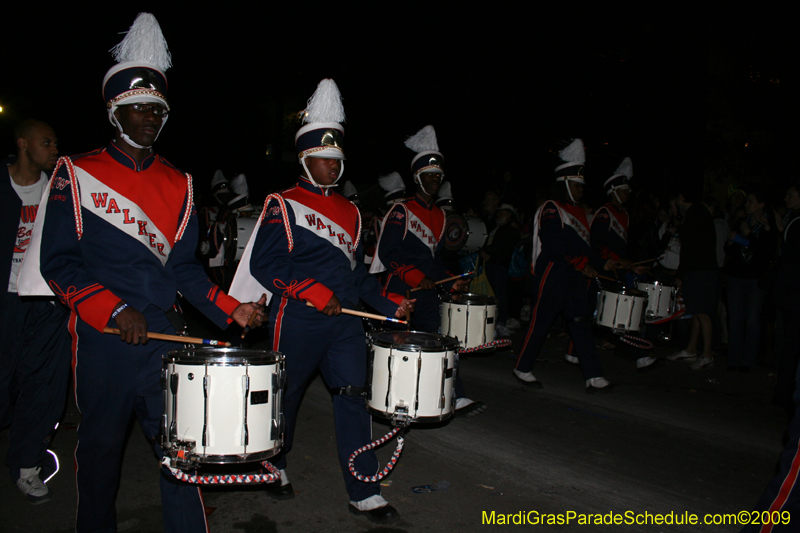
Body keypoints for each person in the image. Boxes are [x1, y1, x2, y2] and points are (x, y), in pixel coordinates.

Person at [18, 14, 265, 532]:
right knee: (102, 450)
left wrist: (230, 308)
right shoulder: (76, 173)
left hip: (164, 336)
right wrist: (114, 308)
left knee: (183, 448)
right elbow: (57, 264)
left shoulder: (181, 183)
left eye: (157, 108)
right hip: (104, 336)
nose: (150, 116)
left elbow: (184, 272)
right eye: (138, 108)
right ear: (115, 111)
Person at [230, 79, 413, 525]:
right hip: (296, 319)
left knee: (353, 396)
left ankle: (364, 489)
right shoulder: (282, 204)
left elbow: (353, 272)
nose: (333, 168)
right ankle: (273, 463)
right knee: (285, 397)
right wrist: (313, 293)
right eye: (324, 160)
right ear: (306, 159)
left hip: (343, 325)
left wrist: (385, 303)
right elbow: (266, 264)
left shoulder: (350, 212)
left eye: (338, 161)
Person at [370, 125, 484, 417]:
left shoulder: (440, 217)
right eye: (429, 175)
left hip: (428, 292)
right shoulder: (401, 211)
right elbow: (389, 253)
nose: (435, 180)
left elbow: (433, 258)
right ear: (417, 178)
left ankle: (455, 396)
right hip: (400, 290)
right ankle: (382, 394)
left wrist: (449, 281)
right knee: (393, 348)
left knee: (436, 343)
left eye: (438, 176)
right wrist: (416, 278)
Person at [1, 120, 71, 504]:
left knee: (43, 384)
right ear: (23, 144)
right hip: (6, 301)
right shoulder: (4, 187)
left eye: (56, 141)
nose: (55, 148)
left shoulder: (58, 193)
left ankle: (27, 466)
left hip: (46, 303)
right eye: (47, 142)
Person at [513, 139, 617, 393]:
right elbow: (553, 244)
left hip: (575, 278)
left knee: (581, 322)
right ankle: (522, 366)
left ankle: (593, 375)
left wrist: (603, 263)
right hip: (553, 273)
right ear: (565, 184)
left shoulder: (580, 212)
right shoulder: (551, 208)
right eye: (577, 185)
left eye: (582, 185)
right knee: (542, 321)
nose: (582, 190)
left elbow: (586, 249)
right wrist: (582, 265)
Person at [667, 188, 720, 370]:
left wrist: (681, 274)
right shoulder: (698, 213)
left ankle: (706, 354)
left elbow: (690, 249)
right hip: (699, 269)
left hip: (701, 270)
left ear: (682, 196)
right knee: (696, 311)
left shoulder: (695, 214)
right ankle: (691, 349)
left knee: (702, 312)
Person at [724, 189, 776, 372]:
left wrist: (747, 237)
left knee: (752, 321)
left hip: (755, 278)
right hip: (735, 277)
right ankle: (733, 360)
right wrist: (731, 241)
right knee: (735, 320)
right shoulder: (742, 221)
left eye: (751, 202)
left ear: (761, 205)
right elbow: (729, 250)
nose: (747, 205)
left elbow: (766, 252)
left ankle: (747, 361)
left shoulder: (767, 225)